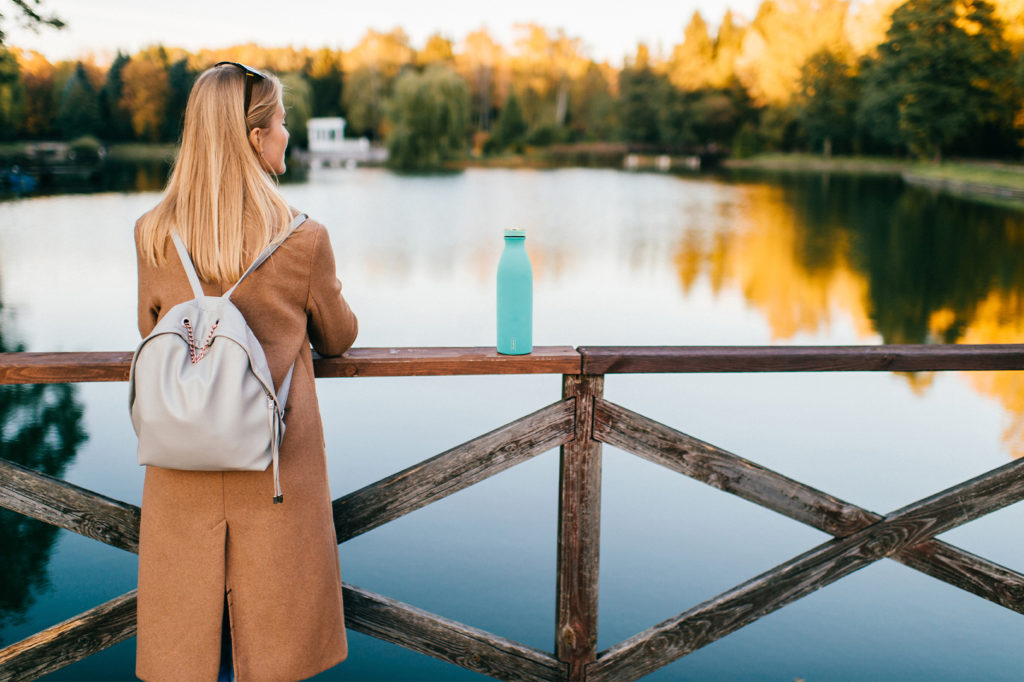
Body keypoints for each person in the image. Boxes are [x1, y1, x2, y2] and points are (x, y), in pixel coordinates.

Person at [133, 62, 357, 681]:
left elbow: (151, 328)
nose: (288, 134)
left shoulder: (153, 235)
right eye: (283, 122)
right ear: (255, 138)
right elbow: (338, 338)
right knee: (277, 655)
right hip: (275, 480)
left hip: (183, 476)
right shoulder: (302, 238)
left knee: (190, 656)